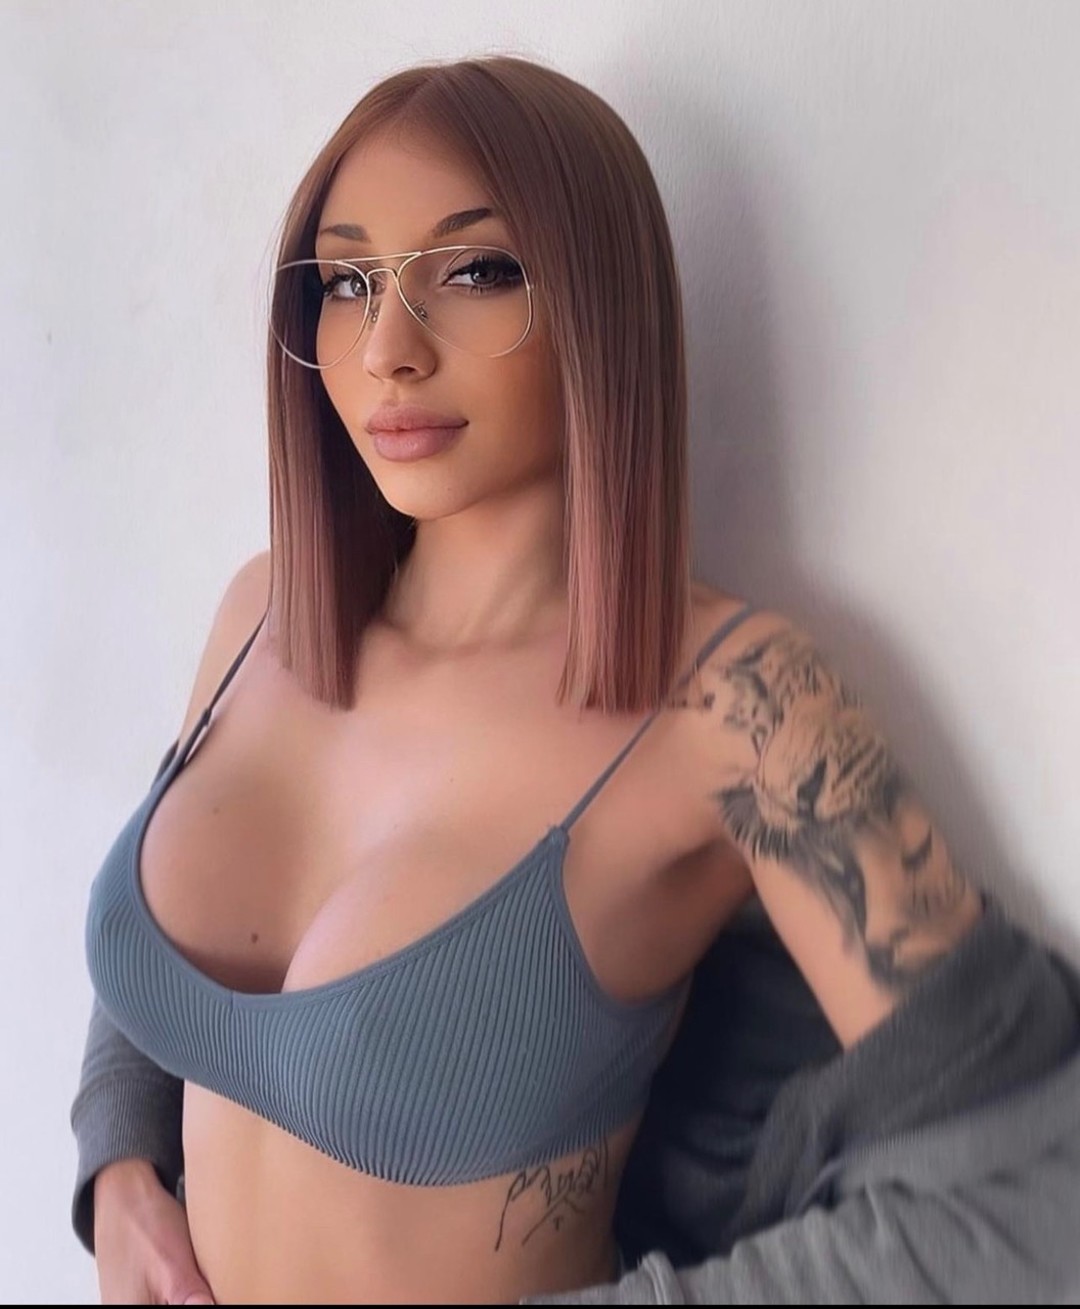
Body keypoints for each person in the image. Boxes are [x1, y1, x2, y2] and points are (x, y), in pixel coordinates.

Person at [71, 53, 1080, 1304]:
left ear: (599, 303)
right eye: (348, 281)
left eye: (476, 270)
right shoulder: (263, 614)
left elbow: (1033, 1193)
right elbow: (174, 935)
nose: (388, 349)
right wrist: (119, 1166)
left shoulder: (737, 708)